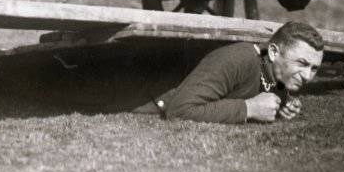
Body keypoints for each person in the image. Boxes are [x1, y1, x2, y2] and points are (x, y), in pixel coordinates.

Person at [136, 20, 324, 124]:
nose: (308, 76)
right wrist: (248, 108)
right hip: (124, 93)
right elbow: (179, 111)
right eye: (301, 63)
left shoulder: (273, 72)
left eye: (314, 68)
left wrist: (285, 103)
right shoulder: (238, 58)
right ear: (274, 52)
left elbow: (258, 85)